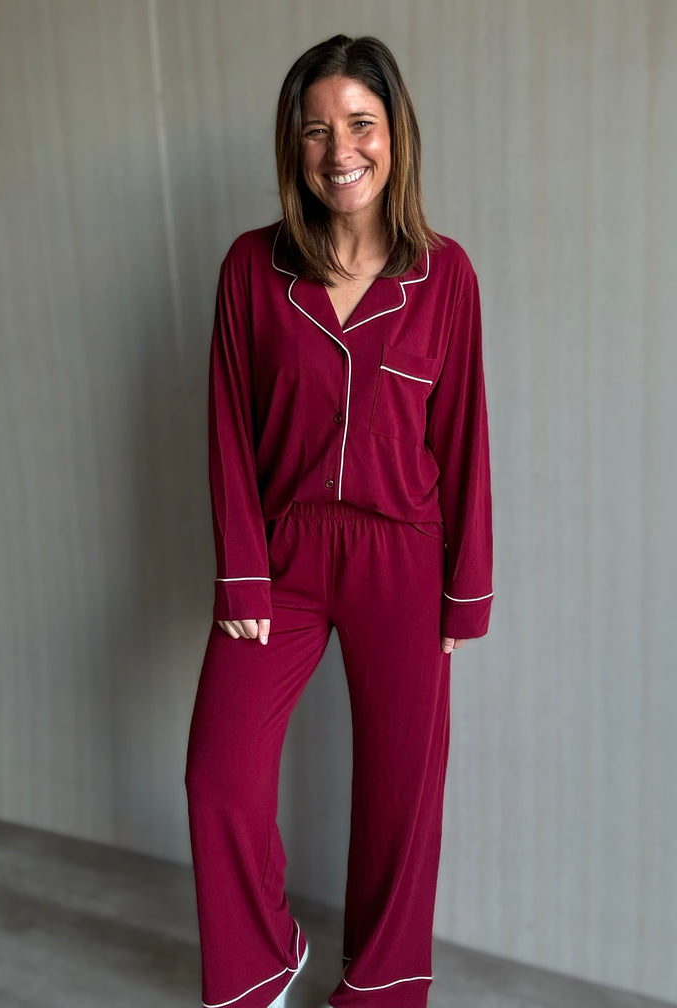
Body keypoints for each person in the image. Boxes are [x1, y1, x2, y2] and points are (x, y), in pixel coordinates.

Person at [184, 33, 493, 1008]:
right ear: (294, 146)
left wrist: (463, 596)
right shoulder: (251, 270)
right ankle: (262, 964)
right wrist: (240, 572)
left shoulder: (446, 278)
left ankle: (382, 991)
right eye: (315, 129)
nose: (338, 148)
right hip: (283, 557)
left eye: (359, 123)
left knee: (402, 804)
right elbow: (229, 426)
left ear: (395, 135)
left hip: (406, 558)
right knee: (218, 777)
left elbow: (466, 442)